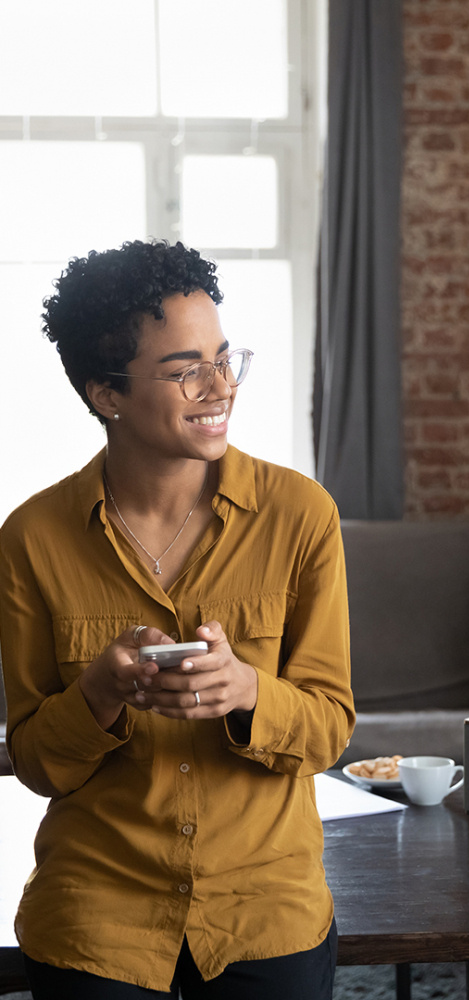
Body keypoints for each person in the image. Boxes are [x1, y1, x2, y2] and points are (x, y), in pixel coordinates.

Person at [0, 239, 355, 999]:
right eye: (185, 368)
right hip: (100, 910)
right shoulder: (32, 538)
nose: (220, 385)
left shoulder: (302, 516)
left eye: (226, 358)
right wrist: (97, 694)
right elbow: (33, 761)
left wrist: (246, 693)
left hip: (265, 904)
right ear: (107, 394)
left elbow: (330, 726)